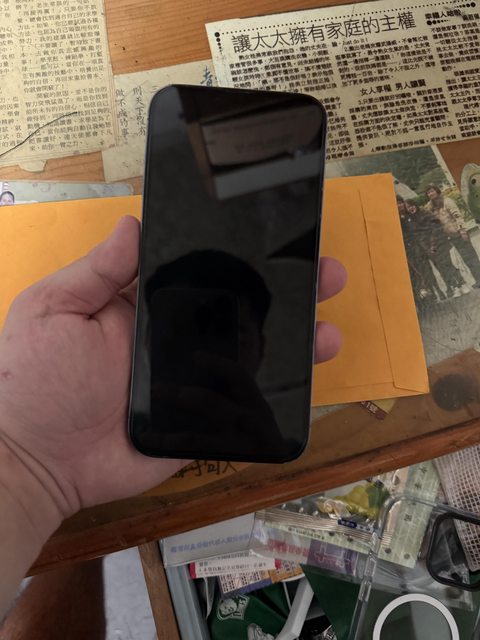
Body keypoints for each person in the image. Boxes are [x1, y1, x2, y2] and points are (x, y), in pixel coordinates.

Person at [0, 217, 346, 636]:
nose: (207, 343)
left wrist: (27, 464)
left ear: (264, 345)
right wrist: (25, 458)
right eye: (185, 325)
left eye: (226, 325)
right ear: (147, 336)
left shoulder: (267, 427)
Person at [404, 199, 466, 300]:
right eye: (408, 207)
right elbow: (415, 235)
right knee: (442, 268)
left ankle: (462, 284)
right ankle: (455, 287)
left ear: (415, 205)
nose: (410, 208)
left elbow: (435, 226)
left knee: (447, 264)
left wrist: (433, 243)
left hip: (437, 244)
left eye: (411, 206)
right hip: (425, 248)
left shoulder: (425, 213)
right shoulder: (409, 219)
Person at [425, 184, 480, 287]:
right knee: (464, 259)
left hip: (458, 233)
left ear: (437, 191)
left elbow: (458, 216)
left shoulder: (447, 201)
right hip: (448, 236)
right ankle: (477, 279)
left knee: (470, 256)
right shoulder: (431, 206)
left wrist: (462, 230)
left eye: (432, 191)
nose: (431, 194)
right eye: (428, 192)